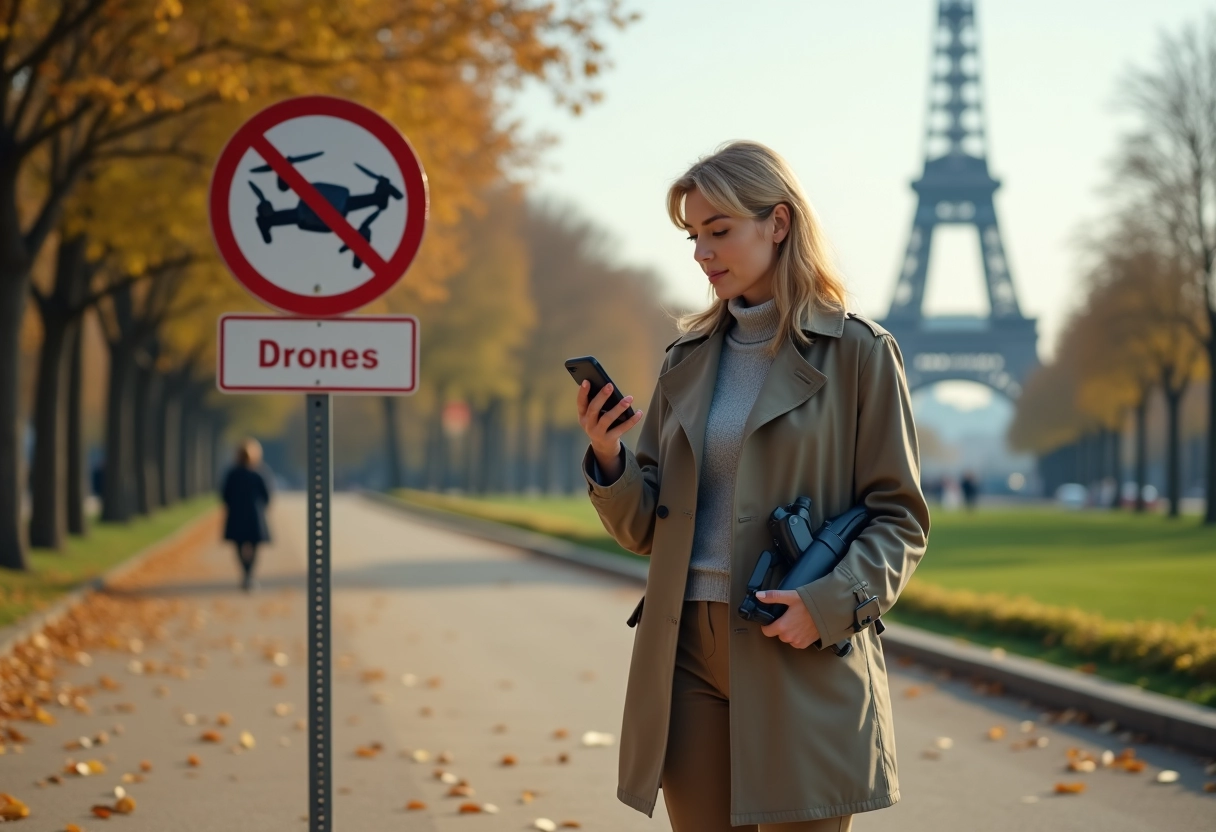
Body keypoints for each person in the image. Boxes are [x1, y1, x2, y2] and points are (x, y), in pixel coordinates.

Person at [575, 141, 929, 831]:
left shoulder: (860, 353)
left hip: (797, 647)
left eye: (719, 231)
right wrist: (609, 455)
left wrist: (828, 605)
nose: (702, 254)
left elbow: (900, 518)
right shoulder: (685, 359)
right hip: (686, 653)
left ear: (779, 223)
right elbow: (645, 529)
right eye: (693, 237)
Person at [220, 438, 273, 592]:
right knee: (254, 546)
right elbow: (267, 495)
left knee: (239, 545)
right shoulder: (259, 473)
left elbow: (225, 495)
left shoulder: (232, 473)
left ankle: (245, 573)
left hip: (236, 515)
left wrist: (232, 506)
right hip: (254, 516)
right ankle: (249, 574)